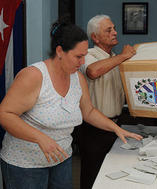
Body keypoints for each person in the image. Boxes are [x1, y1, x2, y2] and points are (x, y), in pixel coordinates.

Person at [0, 17, 142, 189]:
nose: (83, 62)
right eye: (78, 56)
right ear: (60, 51)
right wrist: (40, 138)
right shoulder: (34, 76)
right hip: (26, 164)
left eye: (85, 56)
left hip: (61, 159)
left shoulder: (77, 78)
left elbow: (88, 111)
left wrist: (115, 128)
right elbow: (5, 114)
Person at [78, 14, 136, 189]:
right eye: (109, 30)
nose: (115, 33)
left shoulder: (116, 57)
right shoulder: (87, 55)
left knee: (112, 175)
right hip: (93, 129)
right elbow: (93, 72)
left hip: (117, 124)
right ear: (95, 37)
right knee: (92, 177)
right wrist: (124, 56)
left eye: (114, 28)